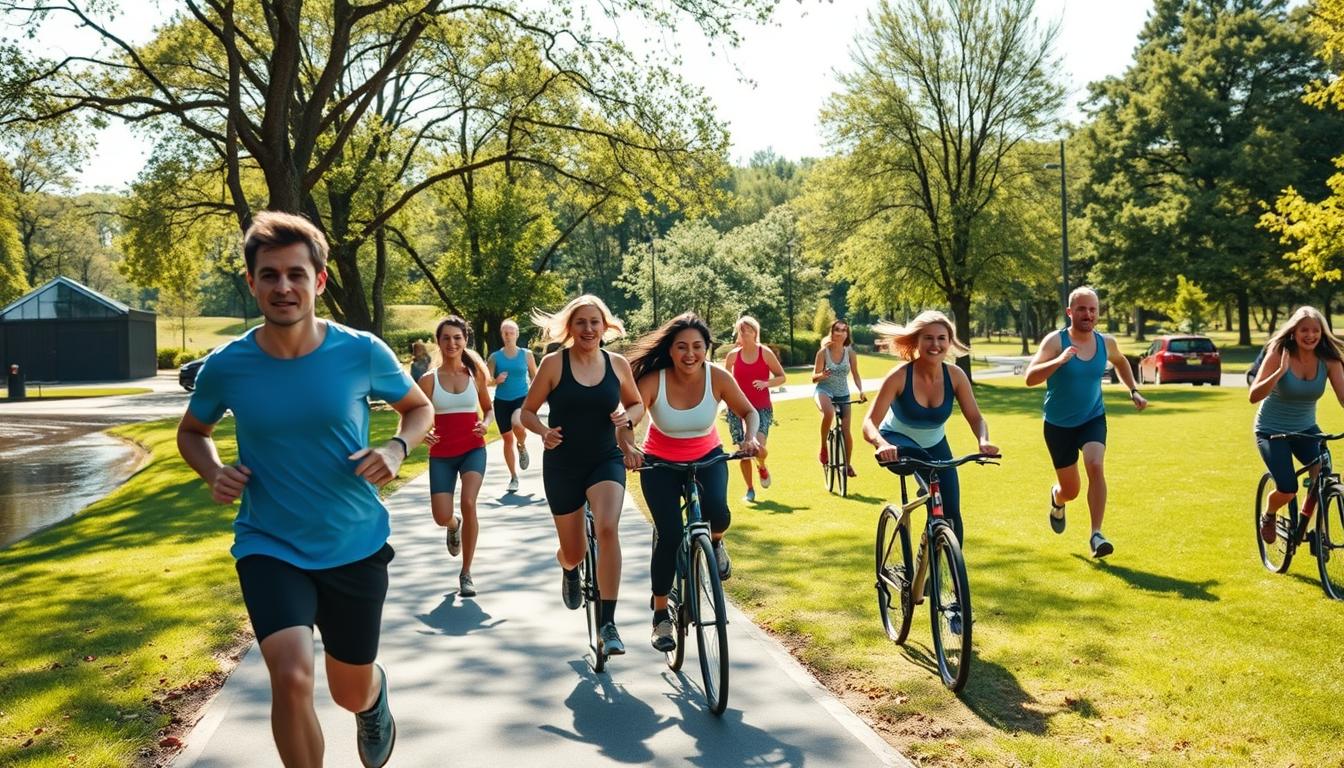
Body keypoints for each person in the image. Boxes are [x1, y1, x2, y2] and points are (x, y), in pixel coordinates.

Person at [176, 211, 433, 768]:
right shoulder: (228, 365)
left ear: (318, 280)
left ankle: (371, 699)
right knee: (290, 676)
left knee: (347, 689)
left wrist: (395, 449)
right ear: (252, 282)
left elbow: (418, 409)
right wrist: (213, 470)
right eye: (269, 275)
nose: (283, 286)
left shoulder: (360, 351)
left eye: (296, 274)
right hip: (269, 542)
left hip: (354, 542)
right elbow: (192, 433)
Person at [625, 313, 760, 652]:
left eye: (697, 347)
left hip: (708, 457)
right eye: (682, 346)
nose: (690, 354)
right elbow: (633, 415)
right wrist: (627, 443)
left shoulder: (719, 377)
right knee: (669, 535)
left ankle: (714, 543)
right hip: (659, 464)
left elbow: (749, 413)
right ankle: (660, 616)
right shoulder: (655, 380)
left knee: (719, 512)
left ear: (707, 348)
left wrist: (751, 439)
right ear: (669, 350)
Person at [520, 295, 644, 657]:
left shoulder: (617, 364)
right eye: (581, 323)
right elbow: (526, 413)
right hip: (563, 464)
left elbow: (636, 403)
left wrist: (628, 418)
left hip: (605, 458)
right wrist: (543, 432)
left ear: (605, 326)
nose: (588, 329)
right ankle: (569, 566)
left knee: (607, 527)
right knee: (573, 550)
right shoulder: (553, 364)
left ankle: (608, 623)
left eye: (594, 322)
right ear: (570, 328)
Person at [1024, 286, 1147, 559]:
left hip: (1092, 417)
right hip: (1058, 425)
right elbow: (1030, 378)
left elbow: (1121, 362)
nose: (1088, 314)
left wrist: (1133, 390)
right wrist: (1058, 361)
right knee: (1071, 490)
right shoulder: (1055, 342)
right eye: (1081, 309)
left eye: (1093, 309)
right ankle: (1057, 499)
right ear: (1070, 312)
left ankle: (1096, 534)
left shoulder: (1106, 342)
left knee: (1095, 464)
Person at [862, 311, 998, 547]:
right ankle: (925, 490)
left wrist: (983, 440)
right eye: (928, 338)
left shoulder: (955, 376)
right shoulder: (899, 376)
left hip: (935, 444)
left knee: (952, 513)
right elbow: (869, 423)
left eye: (941, 338)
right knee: (926, 469)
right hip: (897, 441)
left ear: (949, 342)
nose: (935, 344)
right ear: (917, 340)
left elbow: (976, 417)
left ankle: (948, 576)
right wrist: (882, 445)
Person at [1250, 306, 1344, 543]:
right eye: (1304, 330)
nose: (1310, 335)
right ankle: (1269, 515)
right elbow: (1254, 395)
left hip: (1306, 429)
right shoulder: (1280, 351)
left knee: (1322, 475)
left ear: (1322, 333)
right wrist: (1280, 372)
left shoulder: (1329, 359)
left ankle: (1308, 526)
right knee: (1288, 488)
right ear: (1294, 331)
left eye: (1316, 330)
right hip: (1271, 431)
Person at [419, 316, 492, 597]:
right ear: (439, 342)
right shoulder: (428, 380)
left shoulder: (475, 375)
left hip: (473, 448)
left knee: (469, 502)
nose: (452, 343)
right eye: (446, 338)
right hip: (441, 454)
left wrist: (486, 424)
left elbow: (488, 409)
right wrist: (424, 432)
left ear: (465, 341)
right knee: (442, 516)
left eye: (457, 338)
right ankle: (453, 525)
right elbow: (417, 413)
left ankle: (466, 573)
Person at [723, 316, 786, 502]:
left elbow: (782, 377)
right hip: (737, 409)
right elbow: (724, 382)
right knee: (743, 451)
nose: (745, 332)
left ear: (755, 332)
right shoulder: (732, 356)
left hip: (761, 408)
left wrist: (766, 383)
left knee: (758, 448)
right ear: (738, 333)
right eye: (742, 329)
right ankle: (750, 489)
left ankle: (762, 465)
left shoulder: (764, 353)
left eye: (749, 328)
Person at [488, 319, 538, 494]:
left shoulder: (526, 354)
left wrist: (537, 396)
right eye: (505, 333)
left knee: (517, 424)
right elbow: (486, 380)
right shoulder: (494, 357)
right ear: (502, 335)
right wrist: (496, 380)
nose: (508, 336)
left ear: (517, 334)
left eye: (511, 332)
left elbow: (535, 376)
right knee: (508, 440)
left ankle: (522, 445)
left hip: (521, 398)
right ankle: (513, 477)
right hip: (501, 401)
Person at [813, 319, 867, 477]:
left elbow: (856, 374)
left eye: (844, 330)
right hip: (824, 390)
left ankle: (848, 465)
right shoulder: (823, 352)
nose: (841, 333)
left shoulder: (850, 352)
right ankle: (823, 447)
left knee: (846, 431)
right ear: (832, 332)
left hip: (843, 393)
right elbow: (814, 378)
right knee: (829, 413)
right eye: (838, 330)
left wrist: (861, 391)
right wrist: (822, 375)